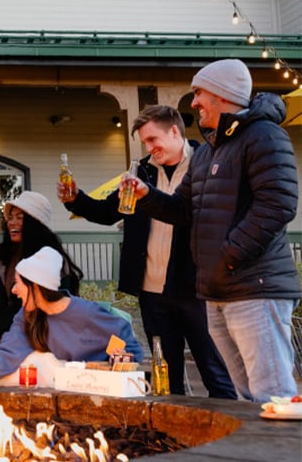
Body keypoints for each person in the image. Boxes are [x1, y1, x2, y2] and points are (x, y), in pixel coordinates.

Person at [128, 59, 299, 402]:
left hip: (254, 288)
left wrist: (227, 256)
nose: (193, 103)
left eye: (198, 93)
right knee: (244, 395)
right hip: (217, 290)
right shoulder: (208, 152)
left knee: (273, 394)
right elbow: (182, 208)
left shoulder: (264, 136)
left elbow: (278, 203)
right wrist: (147, 196)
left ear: (222, 94)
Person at [57, 105, 235, 399]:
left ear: (174, 131)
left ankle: (233, 427)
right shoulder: (141, 171)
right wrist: (76, 199)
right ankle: (175, 426)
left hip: (197, 288)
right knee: (166, 377)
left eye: (153, 139)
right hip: (152, 291)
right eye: (145, 142)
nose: (149, 148)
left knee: (214, 371)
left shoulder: (207, 162)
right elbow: (107, 212)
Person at [0, 191, 83, 379]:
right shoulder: (0, 257)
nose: (12, 223)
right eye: (10, 218)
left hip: (31, 341)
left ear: (35, 223)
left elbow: (52, 312)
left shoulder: (52, 262)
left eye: (20, 218)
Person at [0, 247, 143, 383]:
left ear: (35, 286)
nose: (13, 290)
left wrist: (123, 357)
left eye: (17, 283)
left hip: (94, 385)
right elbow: (11, 346)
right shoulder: (27, 315)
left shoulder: (86, 313)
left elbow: (130, 346)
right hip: (54, 388)